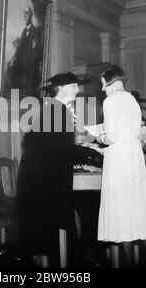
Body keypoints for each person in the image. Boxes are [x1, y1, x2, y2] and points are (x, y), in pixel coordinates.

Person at [17, 72, 88, 267]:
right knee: (51, 223)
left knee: (52, 224)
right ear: (64, 88)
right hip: (43, 180)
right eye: (74, 86)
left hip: (43, 177)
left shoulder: (56, 109)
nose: (77, 89)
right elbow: (61, 148)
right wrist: (92, 153)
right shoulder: (56, 110)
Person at [95, 65, 146, 266]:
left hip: (118, 159)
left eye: (103, 84)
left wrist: (100, 136)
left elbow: (113, 137)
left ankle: (129, 263)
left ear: (111, 81)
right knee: (137, 206)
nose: (103, 89)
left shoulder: (111, 100)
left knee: (120, 208)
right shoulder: (132, 100)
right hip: (134, 157)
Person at [7, 6, 41, 96]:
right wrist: (14, 58)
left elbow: (37, 44)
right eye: (24, 15)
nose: (25, 17)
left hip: (27, 60)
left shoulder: (33, 30)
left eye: (27, 15)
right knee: (10, 66)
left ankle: (22, 95)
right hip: (20, 58)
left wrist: (33, 50)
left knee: (22, 76)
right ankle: (14, 94)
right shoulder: (24, 31)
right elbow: (20, 47)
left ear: (30, 17)